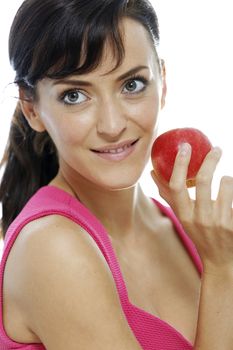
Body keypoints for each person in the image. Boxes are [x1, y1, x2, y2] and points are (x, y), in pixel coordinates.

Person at [0, 0, 233, 349]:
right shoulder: (51, 249)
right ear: (32, 109)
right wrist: (223, 271)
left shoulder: (181, 225)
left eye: (132, 85)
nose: (112, 125)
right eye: (75, 95)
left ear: (163, 83)